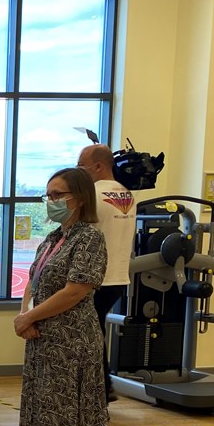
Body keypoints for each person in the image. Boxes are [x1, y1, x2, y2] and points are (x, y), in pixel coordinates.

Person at [14, 167, 109, 426]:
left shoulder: (89, 238)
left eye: (58, 195)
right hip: (45, 342)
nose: (51, 202)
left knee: (74, 417)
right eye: (48, 195)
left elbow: (76, 290)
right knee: (53, 417)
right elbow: (34, 281)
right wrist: (25, 316)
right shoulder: (54, 238)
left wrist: (31, 317)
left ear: (80, 198)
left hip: (73, 342)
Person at [77, 144, 136, 401]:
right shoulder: (128, 195)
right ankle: (102, 386)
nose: (79, 173)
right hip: (118, 277)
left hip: (93, 277)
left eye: (81, 167)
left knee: (86, 334)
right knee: (94, 329)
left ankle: (99, 388)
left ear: (98, 166)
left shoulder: (91, 194)